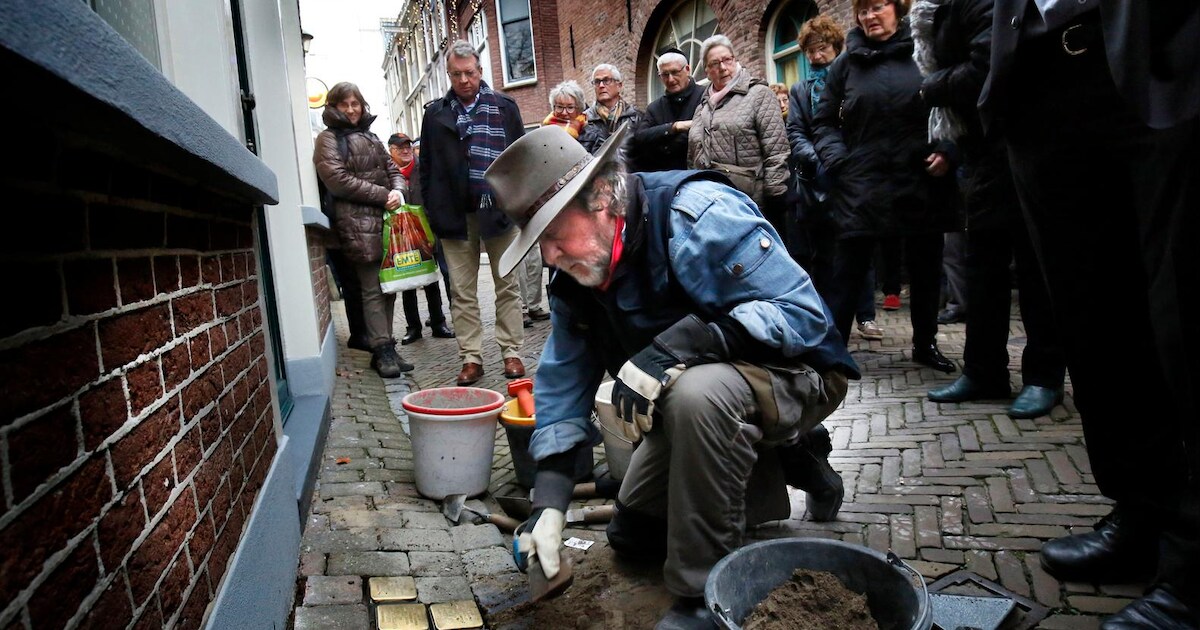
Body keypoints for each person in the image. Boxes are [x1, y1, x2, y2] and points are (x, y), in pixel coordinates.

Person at [484, 123, 859, 629]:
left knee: (694, 395)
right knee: (634, 536)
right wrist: (548, 505)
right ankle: (798, 458)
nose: (549, 256)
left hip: (798, 370)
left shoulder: (696, 214)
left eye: (551, 235)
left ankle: (705, 596)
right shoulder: (576, 278)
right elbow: (562, 382)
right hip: (707, 394)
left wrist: (684, 344)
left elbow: (804, 317)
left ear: (600, 200)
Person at [981, 2, 1199, 626]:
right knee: (1096, 320)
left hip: (1167, 50)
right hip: (1043, 77)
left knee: (1182, 315)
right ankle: (1144, 512)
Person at [911, 0, 1065, 419]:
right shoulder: (936, 9)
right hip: (980, 147)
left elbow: (989, 65)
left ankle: (1044, 375)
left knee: (1033, 265)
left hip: (1017, 138)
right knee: (983, 265)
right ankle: (985, 371)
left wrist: (930, 87)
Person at [810, 0, 960, 372]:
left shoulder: (925, 50)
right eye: (863, 10)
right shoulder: (846, 63)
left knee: (926, 267)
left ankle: (925, 344)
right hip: (862, 178)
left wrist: (947, 148)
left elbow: (952, 105)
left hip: (921, 176)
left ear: (898, 8)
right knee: (848, 271)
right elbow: (823, 120)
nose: (869, 17)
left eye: (877, 7)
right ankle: (835, 352)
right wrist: (838, 159)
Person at [419, 40, 527, 386]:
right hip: (454, 213)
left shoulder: (505, 107)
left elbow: (521, 158)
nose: (463, 80)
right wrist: (433, 212)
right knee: (462, 291)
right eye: (456, 74)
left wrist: (520, 203)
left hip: (499, 209)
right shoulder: (435, 115)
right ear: (448, 75)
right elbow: (428, 169)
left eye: (469, 73)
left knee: (507, 284)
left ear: (480, 72)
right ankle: (471, 357)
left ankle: (512, 352)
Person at [785, 15, 885, 343]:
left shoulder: (852, 79)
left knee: (860, 246)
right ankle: (828, 317)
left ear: (836, 45)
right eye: (810, 51)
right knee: (824, 254)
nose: (816, 56)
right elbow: (796, 131)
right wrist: (819, 160)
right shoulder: (800, 90)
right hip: (818, 181)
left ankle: (866, 316)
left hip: (855, 175)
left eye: (823, 48)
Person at [313, 83, 415, 378]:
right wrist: (383, 195)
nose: (351, 109)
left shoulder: (371, 137)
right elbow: (337, 179)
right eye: (344, 104)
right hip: (356, 223)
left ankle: (388, 347)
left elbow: (393, 169)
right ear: (332, 106)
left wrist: (398, 191)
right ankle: (380, 350)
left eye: (355, 103)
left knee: (389, 286)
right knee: (371, 287)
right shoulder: (328, 139)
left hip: (386, 222)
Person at [688, 34, 790, 222]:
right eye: (715, 63)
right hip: (714, 204)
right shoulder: (702, 106)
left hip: (753, 203)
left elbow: (776, 150)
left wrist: (776, 195)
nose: (723, 67)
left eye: (727, 59)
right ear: (707, 71)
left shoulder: (759, 94)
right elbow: (692, 154)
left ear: (735, 60)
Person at [387, 132, 455, 345]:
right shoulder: (388, 173)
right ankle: (413, 327)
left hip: (428, 231)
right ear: (391, 151)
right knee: (407, 280)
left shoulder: (422, 168)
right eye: (400, 148)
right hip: (401, 236)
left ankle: (438, 322)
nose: (405, 150)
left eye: (407, 146)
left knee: (431, 278)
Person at [631, 48, 703, 172]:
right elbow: (640, 138)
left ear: (687, 70)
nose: (670, 79)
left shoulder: (705, 96)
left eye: (675, 72)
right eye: (665, 75)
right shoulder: (654, 107)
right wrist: (674, 127)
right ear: (659, 76)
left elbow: (704, 133)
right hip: (666, 178)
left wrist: (661, 142)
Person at [580, 64, 640, 155]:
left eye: (606, 80)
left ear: (619, 85)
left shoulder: (636, 117)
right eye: (597, 81)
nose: (601, 85)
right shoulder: (583, 120)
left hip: (629, 169)